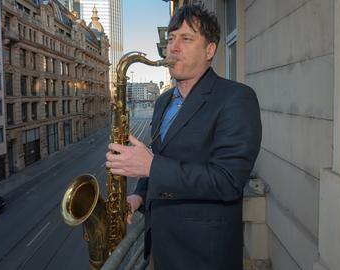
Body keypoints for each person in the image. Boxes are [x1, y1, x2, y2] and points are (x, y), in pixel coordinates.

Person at [105, 4, 262, 270]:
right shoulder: (163, 101)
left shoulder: (237, 98)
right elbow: (161, 159)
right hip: (159, 248)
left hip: (203, 256)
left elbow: (227, 181)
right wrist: (139, 196)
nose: (173, 48)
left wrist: (150, 165)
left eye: (186, 39)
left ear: (210, 50)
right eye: (170, 39)